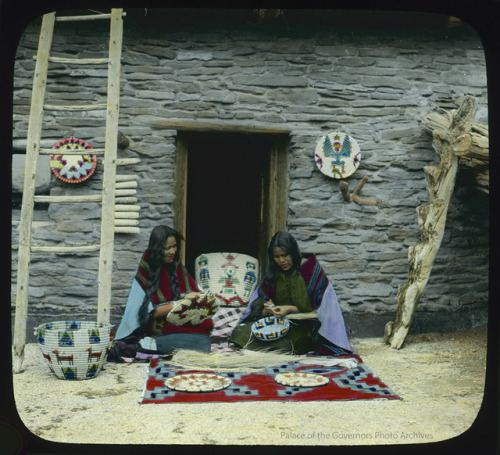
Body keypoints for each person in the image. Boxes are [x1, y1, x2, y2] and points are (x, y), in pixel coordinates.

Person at [230, 231, 352, 356]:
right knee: (240, 332)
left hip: (304, 327)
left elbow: (319, 310)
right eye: (277, 257)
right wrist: (267, 310)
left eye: (285, 255)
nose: (281, 260)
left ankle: (267, 348)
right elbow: (258, 309)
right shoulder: (274, 273)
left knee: (286, 345)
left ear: (293, 253)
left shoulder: (310, 271)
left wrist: (288, 309)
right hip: (277, 325)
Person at [109, 225, 214, 361]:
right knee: (200, 343)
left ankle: (172, 343)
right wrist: (180, 302)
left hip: (178, 319)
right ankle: (149, 344)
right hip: (158, 325)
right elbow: (152, 313)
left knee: (204, 335)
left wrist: (201, 297)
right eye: (167, 248)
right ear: (157, 249)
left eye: (174, 246)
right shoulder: (147, 268)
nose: (172, 251)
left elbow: (191, 292)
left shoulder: (176, 266)